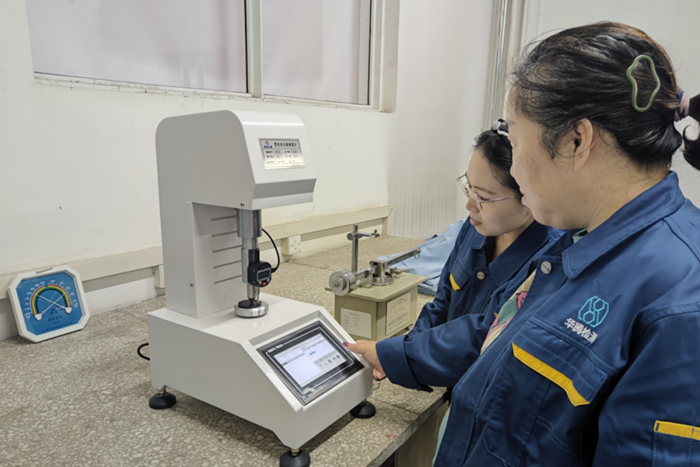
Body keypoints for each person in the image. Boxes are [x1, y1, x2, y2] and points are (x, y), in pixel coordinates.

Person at [348, 22, 700, 465]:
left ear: (576, 140)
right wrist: (395, 354)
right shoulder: (578, 243)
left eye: (515, 141)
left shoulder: (680, 302)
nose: (513, 171)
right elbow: (497, 335)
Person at [373, 123, 560, 381]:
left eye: (483, 197)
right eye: (469, 187)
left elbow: (486, 336)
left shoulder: (549, 263)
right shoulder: (474, 230)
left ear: (530, 198)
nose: (469, 204)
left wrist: (401, 357)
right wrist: (409, 349)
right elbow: (443, 303)